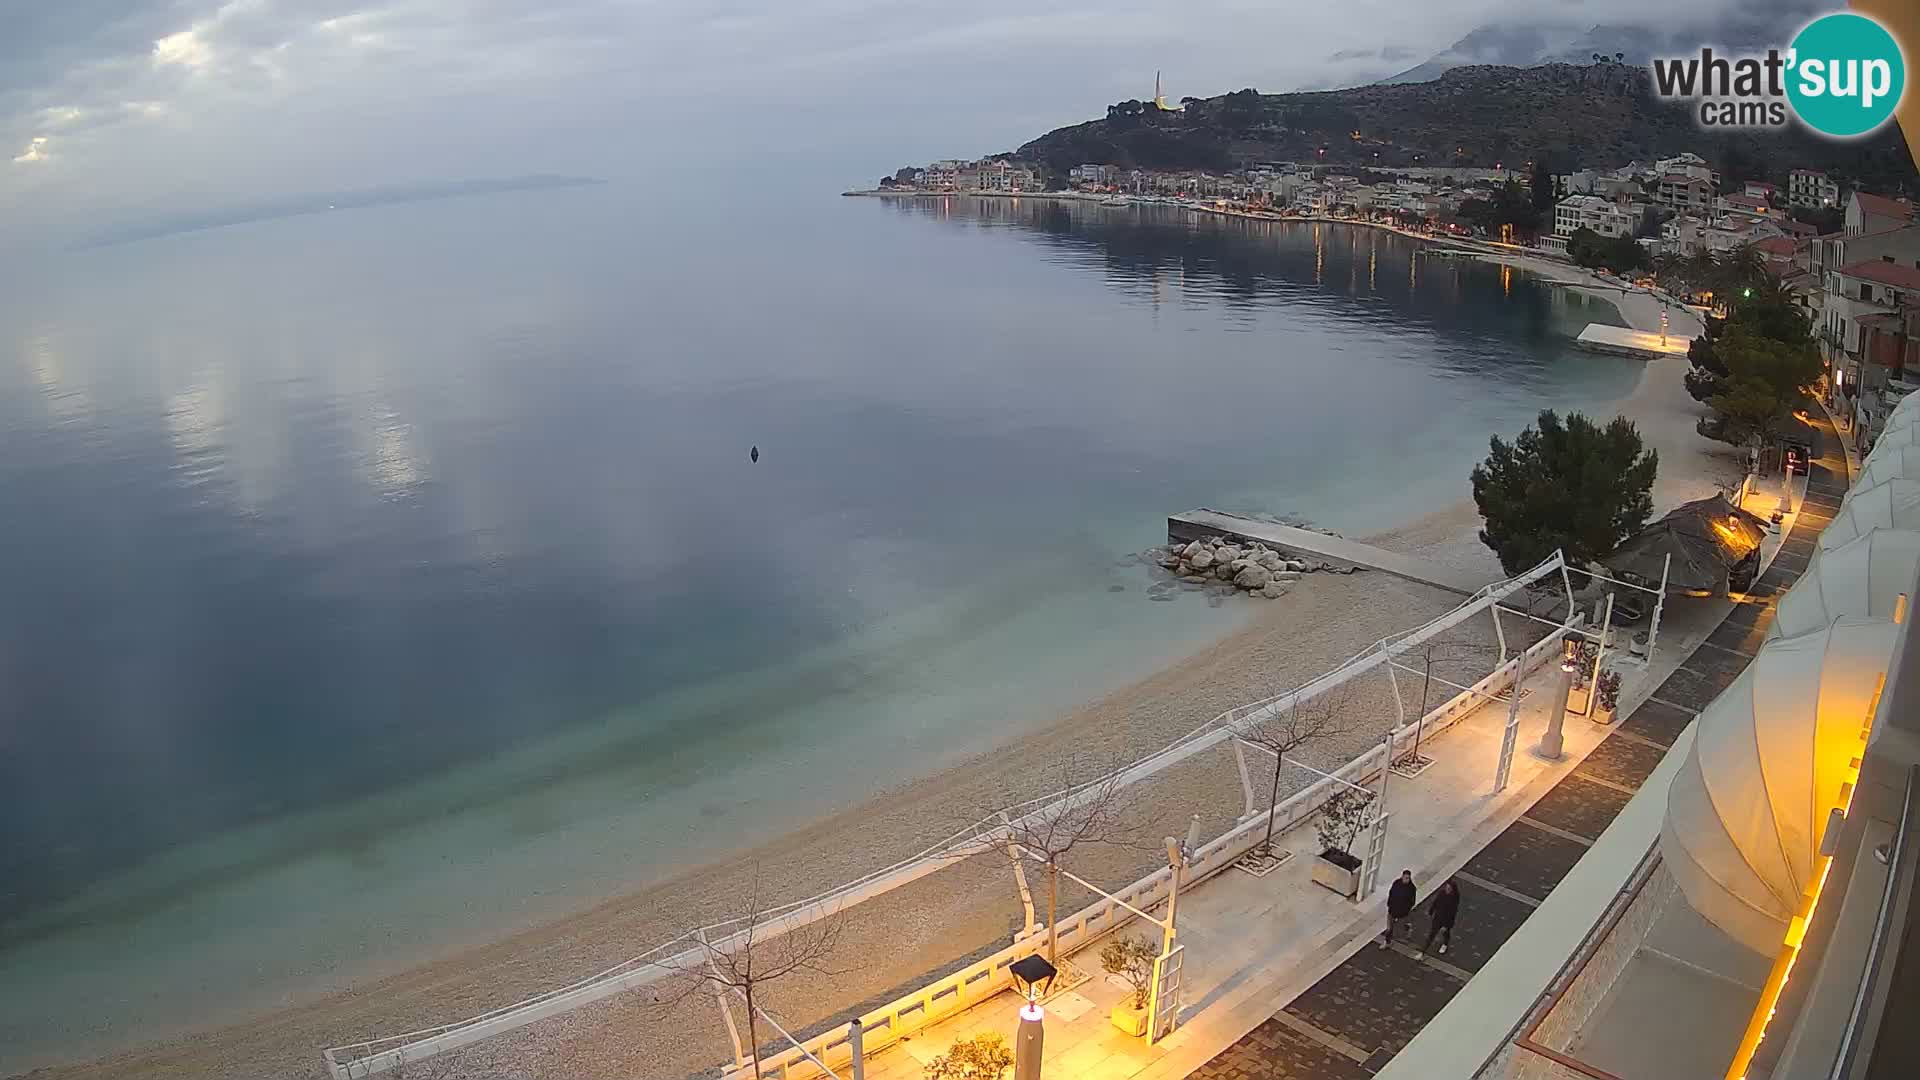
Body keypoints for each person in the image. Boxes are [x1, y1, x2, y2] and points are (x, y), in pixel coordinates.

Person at [1422, 878, 1461, 957]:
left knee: (1446, 933)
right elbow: (1436, 902)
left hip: (1446, 921)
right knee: (1432, 934)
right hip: (1438, 917)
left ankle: (1445, 944)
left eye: (1449, 889)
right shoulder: (1442, 893)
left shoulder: (1454, 899)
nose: (1447, 890)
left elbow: (1452, 914)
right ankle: (1423, 951)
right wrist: (1431, 911)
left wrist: (1447, 926)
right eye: (1446, 888)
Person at [1381, 869, 1416, 949]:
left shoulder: (1412, 888)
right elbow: (1391, 893)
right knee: (1389, 928)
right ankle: (1387, 942)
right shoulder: (1396, 883)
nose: (1406, 880)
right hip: (1392, 910)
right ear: (1402, 876)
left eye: (1408, 878)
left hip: (1403, 912)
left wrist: (1406, 909)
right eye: (1405, 878)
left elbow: (1412, 901)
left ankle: (1407, 929)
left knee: (1403, 924)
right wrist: (1389, 904)